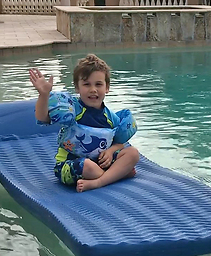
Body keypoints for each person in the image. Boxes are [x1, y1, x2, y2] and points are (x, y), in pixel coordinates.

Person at [30, 54, 139, 192]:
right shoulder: (72, 109)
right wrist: (44, 95)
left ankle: (99, 180)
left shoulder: (110, 117)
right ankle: (113, 176)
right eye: (87, 84)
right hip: (71, 166)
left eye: (98, 84)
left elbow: (119, 142)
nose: (93, 89)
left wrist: (111, 152)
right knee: (87, 165)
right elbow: (42, 118)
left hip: (99, 164)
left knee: (133, 153)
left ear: (107, 88)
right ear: (77, 87)